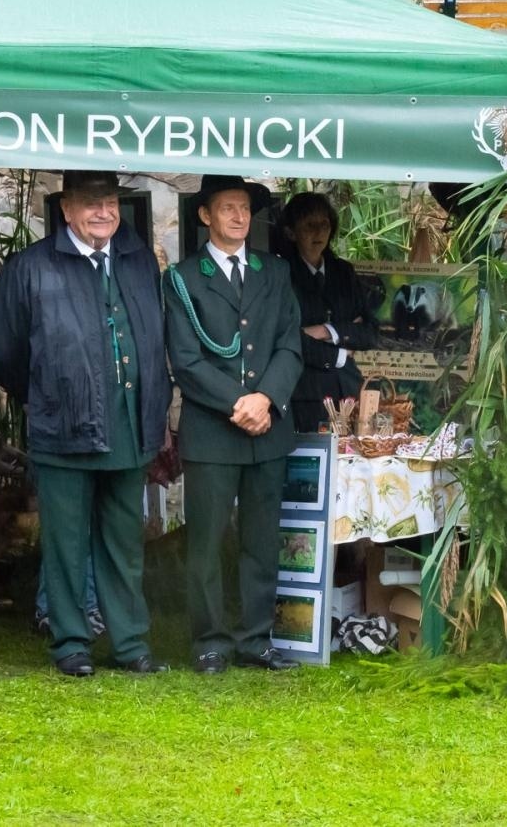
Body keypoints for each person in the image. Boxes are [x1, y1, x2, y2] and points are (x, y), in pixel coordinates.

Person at [0, 169, 172, 677]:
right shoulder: (30, 268)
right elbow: (4, 351)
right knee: (66, 545)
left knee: (123, 543)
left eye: (110, 202)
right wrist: (47, 395)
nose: (103, 212)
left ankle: (130, 644)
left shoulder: (137, 263)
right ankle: (71, 644)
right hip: (62, 430)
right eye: (91, 203)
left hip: (130, 427)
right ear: (65, 209)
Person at [164, 174, 304, 673]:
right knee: (205, 543)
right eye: (227, 208)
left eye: (244, 208)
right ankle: (210, 642)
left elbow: (291, 343)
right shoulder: (183, 276)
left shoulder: (275, 272)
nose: (239, 217)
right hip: (213, 431)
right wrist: (239, 403)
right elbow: (186, 360)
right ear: (205, 216)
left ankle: (255, 639)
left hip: (268, 429)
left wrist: (265, 398)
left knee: (262, 539)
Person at [279, 192, 379, 433]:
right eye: (310, 225)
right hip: (304, 395)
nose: (319, 232)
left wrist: (325, 330)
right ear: (291, 232)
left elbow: (370, 332)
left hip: (348, 390)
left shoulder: (343, 271)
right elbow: (285, 337)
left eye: (324, 224)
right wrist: (341, 354)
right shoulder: (281, 273)